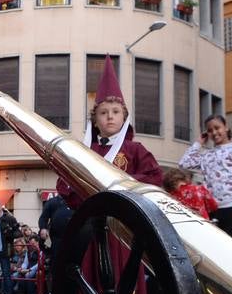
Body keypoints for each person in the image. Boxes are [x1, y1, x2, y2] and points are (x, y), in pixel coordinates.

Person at [56, 57, 163, 208]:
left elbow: (155, 177)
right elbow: (65, 182)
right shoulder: (84, 150)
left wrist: (121, 182)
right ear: (94, 120)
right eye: (103, 112)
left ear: (124, 118)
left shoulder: (135, 149)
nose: (110, 116)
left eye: (116, 112)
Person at [179, 114, 232, 238]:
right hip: (212, 210)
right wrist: (198, 143)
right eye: (209, 130)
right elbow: (183, 164)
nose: (214, 132)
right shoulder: (207, 155)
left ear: (226, 128)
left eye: (217, 128)